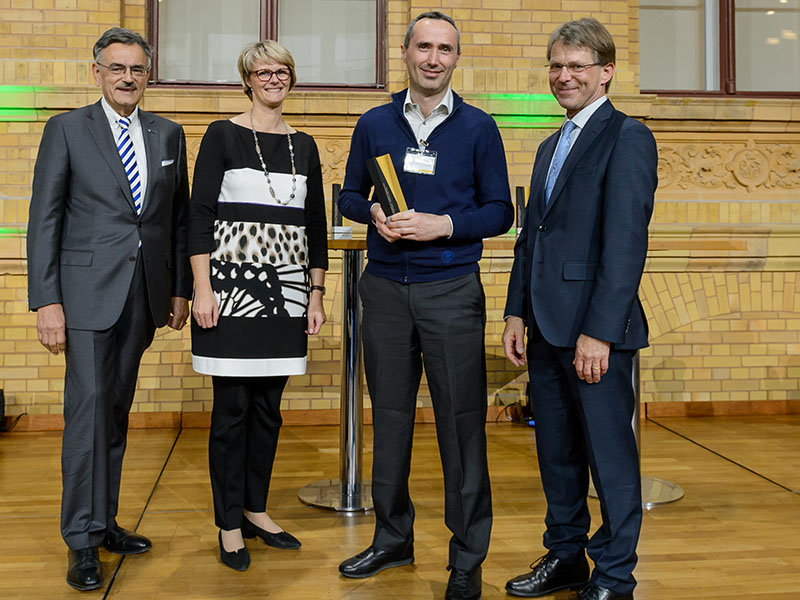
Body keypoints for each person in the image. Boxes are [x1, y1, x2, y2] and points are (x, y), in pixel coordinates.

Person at [337, 11, 513, 600]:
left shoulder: (479, 128)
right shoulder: (375, 122)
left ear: (456, 58)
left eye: (444, 49)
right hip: (385, 289)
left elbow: (500, 211)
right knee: (389, 419)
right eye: (424, 47)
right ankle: (393, 538)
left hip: (451, 291)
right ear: (405, 52)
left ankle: (467, 557)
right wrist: (372, 213)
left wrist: (445, 225)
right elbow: (349, 196)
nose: (433, 58)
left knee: (461, 424)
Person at [26, 27, 191, 591]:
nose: (127, 77)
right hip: (84, 297)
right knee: (88, 415)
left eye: (137, 69)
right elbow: (44, 219)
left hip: (143, 297)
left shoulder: (168, 134)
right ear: (96, 72)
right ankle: (81, 541)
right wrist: (47, 300)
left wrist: (178, 290)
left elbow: (175, 218)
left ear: (148, 75)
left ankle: (104, 523)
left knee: (115, 414)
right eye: (117, 68)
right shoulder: (67, 129)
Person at [502, 18, 657, 600]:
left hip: (594, 335)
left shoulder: (628, 137)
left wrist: (600, 332)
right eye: (557, 65)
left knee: (609, 460)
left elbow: (625, 245)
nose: (564, 76)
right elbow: (531, 238)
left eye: (577, 66)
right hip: (545, 327)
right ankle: (566, 557)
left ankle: (615, 576)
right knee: (557, 454)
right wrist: (516, 313)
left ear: (606, 72)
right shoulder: (550, 144)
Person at [188, 40, 328, 572]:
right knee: (232, 412)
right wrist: (202, 288)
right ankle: (228, 524)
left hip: (287, 293)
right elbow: (199, 216)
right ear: (246, 79)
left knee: (268, 410)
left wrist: (315, 293)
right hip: (230, 291)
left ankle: (255, 509)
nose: (273, 78)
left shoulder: (305, 146)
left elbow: (314, 225)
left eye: (281, 70)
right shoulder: (221, 135)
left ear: (292, 77)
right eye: (262, 71)